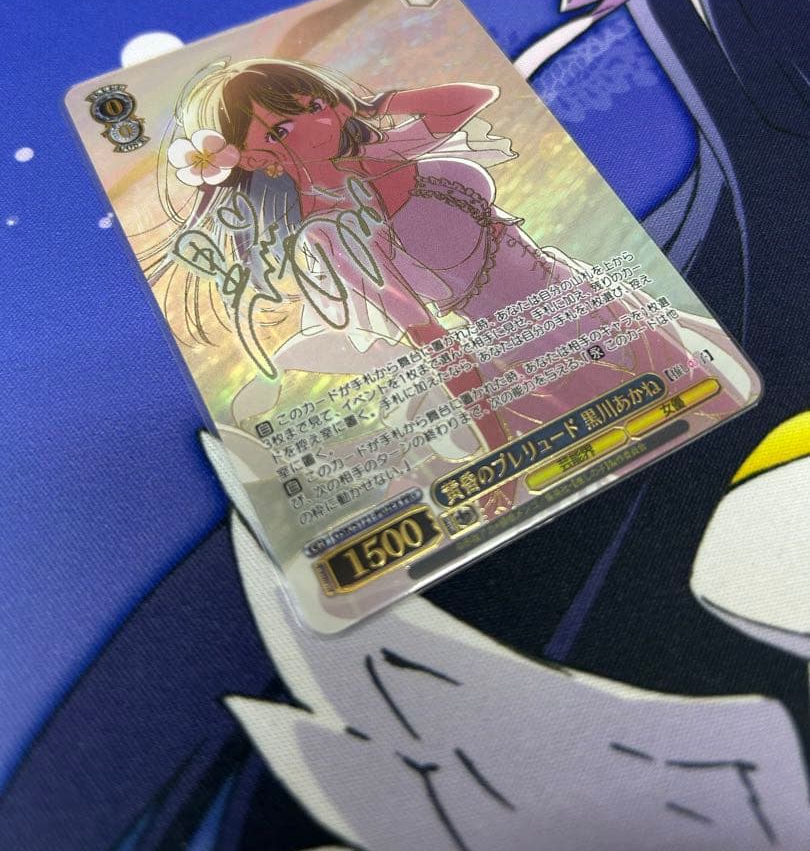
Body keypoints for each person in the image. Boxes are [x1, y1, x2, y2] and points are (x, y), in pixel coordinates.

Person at [151, 56, 752, 519]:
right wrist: (498, 446)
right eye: (283, 126)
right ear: (252, 157)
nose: (319, 124)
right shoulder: (333, 233)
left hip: (585, 296)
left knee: (719, 410)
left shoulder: (384, 150)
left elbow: (472, 97)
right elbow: (433, 342)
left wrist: (376, 103)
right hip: (536, 353)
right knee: (654, 483)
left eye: (316, 104)